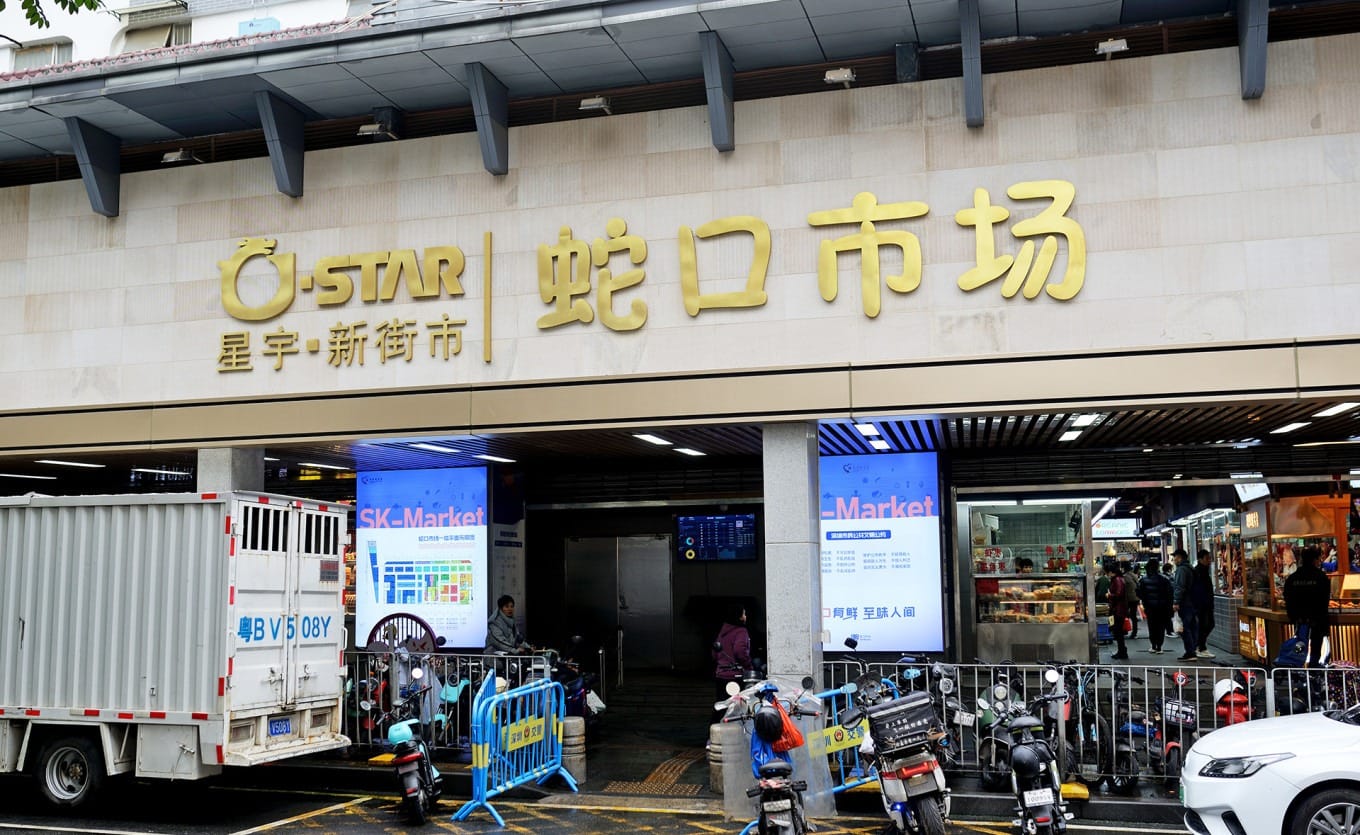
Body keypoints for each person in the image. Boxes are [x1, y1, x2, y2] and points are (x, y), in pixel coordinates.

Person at [1284, 545, 1331, 667]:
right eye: (1319, 559)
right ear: (1315, 560)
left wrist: (1293, 616)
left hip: (1299, 620)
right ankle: (1313, 670)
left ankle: (1297, 668)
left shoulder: (1293, 578)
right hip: (1317, 620)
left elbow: (1287, 598)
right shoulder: (1321, 577)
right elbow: (1324, 600)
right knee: (1316, 648)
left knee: (1299, 645)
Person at [712, 603, 752, 723]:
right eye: (744, 614)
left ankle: (713, 731)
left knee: (721, 706)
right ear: (739, 616)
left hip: (721, 675)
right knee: (736, 708)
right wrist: (749, 666)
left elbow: (714, 652)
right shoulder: (741, 631)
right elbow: (740, 651)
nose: (745, 616)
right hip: (735, 676)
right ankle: (733, 732)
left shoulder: (723, 631)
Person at [1137, 557, 1173, 653]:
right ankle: (1159, 647)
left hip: (1149, 607)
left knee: (1152, 626)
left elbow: (1139, 592)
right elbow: (1170, 593)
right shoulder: (1164, 579)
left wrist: (1144, 602)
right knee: (1161, 627)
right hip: (1162, 607)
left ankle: (1153, 645)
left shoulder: (1143, 580)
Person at [1171, 548, 1199, 662]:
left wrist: (1176, 601)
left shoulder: (1181, 570)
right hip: (1193, 602)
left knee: (1185, 628)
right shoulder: (1190, 568)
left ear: (1179, 557)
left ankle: (1190, 652)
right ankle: (1193, 649)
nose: (1174, 560)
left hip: (1185, 602)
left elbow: (1179, 586)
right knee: (1192, 627)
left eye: (1175, 557)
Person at [1193, 549, 1216, 658]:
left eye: (1210, 558)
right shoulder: (1198, 572)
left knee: (1208, 624)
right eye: (1207, 558)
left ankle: (1200, 646)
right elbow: (1199, 590)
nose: (1209, 561)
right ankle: (1200, 647)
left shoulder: (1204, 570)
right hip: (1202, 604)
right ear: (1200, 559)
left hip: (1206, 604)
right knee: (1205, 625)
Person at [1106, 561, 1130, 660]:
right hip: (1118, 608)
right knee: (1117, 631)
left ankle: (1122, 652)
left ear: (1111, 572)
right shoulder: (1118, 579)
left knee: (1118, 631)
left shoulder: (1117, 580)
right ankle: (1121, 651)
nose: (1107, 575)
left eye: (1107, 572)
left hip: (1118, 609)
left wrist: (1109, 595)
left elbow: (1119, 594)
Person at [1124, 561, 1141, 639]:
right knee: (1133, 616)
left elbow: (1124, 588)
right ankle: (1134, 632)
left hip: (1129, 598)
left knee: (1125, 614)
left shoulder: (1125, 576)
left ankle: (1125, 630)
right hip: (1136, 598)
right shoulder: (1134, 575)